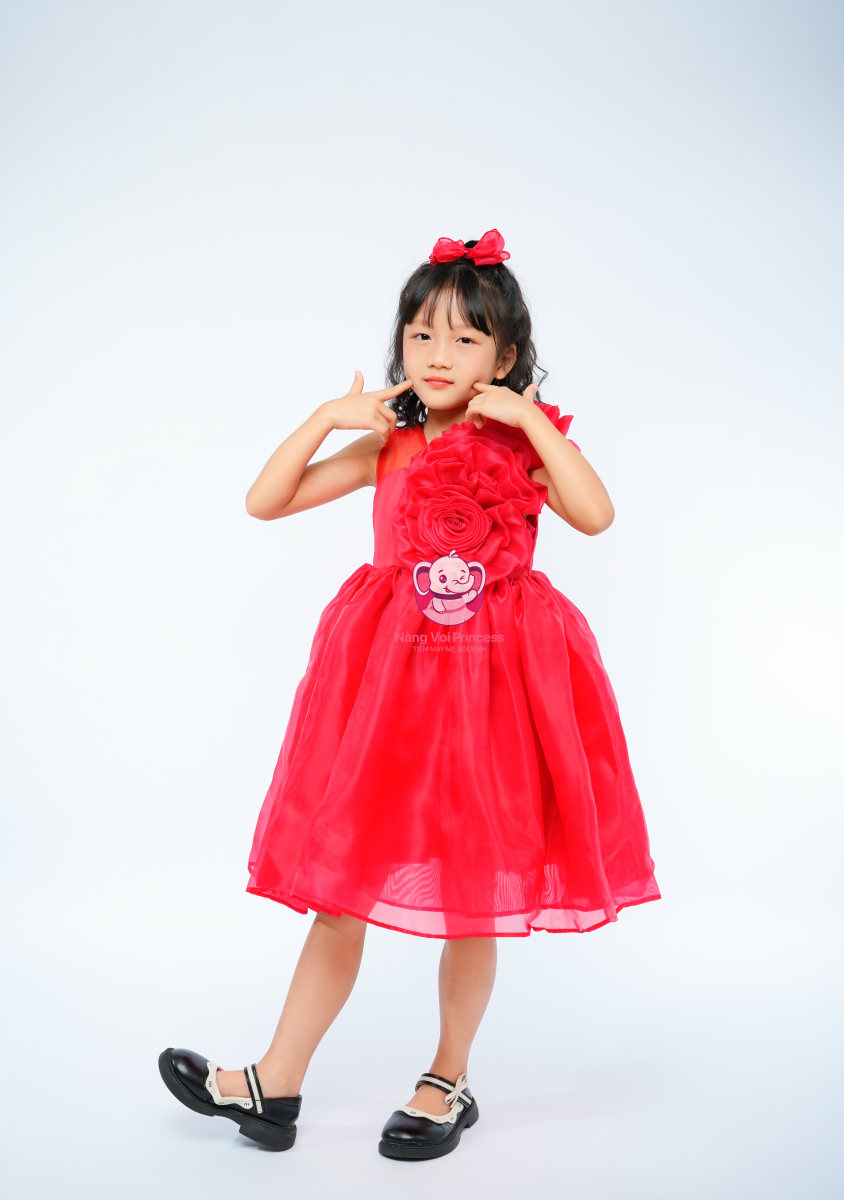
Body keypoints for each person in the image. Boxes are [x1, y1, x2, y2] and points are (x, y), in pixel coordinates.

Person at [158, 228, 661, 1162]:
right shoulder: (387, 445)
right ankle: (275, 1082)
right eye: (422, 334)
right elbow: (266, 501)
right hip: (387, 694)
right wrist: (326, 416)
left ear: (504, 360)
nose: (438, 354)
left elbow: (595, 515)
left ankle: (447, 1078)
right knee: (340, 888)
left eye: (466, 339)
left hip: (493, 691)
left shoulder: (522, 450)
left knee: (472, 892)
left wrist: (534, 423)